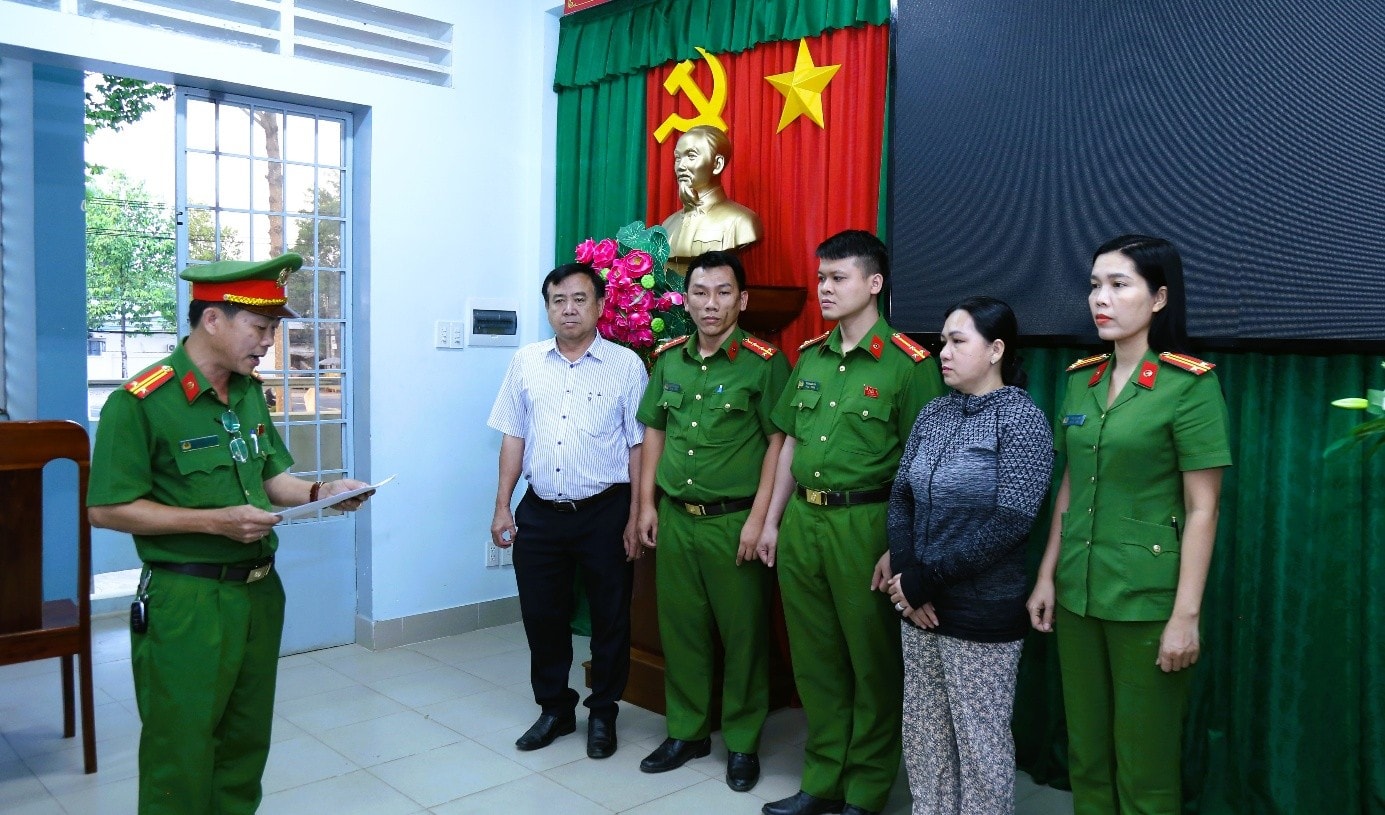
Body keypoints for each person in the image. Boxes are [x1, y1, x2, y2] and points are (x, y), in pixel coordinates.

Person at [87, 253, 373, 815]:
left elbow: (270, 480)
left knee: (245, 743)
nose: (268, 342)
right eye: (259, 328)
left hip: (259, 593)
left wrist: (323, 492)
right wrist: (211, 521)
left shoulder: (247, 392)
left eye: (272, 330)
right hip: (188, 600)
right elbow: (107, 509)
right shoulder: (140, 402)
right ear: (213, 319)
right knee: (181, 749)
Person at [1025, 235, 1231, 815]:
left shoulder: (1189, 385)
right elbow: (1071, 483)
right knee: (1087, 758)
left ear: (1159, 298)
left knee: (1145, 767)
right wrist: (1047, 576)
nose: (1101, 299)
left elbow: (1204, 508)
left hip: (1146, 599)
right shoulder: (1081, 379)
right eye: (1095, 285)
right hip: (1079, 592)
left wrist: (1185, 617)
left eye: (1119, 285)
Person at [757, 230, 945, 815]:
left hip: (866, 526)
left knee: (872, 664)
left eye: (838, 278)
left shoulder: (909, 365)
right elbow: (788, 444)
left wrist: (902, 546)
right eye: (821, 278)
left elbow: (924, 468)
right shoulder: (812, 356)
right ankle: (822, 783)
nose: (825, 289)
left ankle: (865, 791)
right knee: (815, 661)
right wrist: (771, 522)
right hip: (803, 522)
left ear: (874, 283)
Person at [875, 296, 1053, 815]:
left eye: (957, 342)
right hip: (919, 603)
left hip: (980, 609)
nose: (943, 353)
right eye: (941, 342)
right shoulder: (933, 412)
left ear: (996, 350)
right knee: (924, 733)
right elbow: (901, 497)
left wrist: (924, 581)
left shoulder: (1022, 419)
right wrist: (908, 576)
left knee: (979, 744)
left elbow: (1012, 522)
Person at [633, 250, 790, 792]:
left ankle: (742, 741)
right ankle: (687, 731)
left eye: (723, 293)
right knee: (682, 631)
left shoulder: (764, 362)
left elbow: (778, 444)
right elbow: (655, 431)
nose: (710, 304)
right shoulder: (668, 359)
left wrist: (760, 518)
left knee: (744, 637)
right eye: (700, 292)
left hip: (734, 522)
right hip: (677, 518)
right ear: (686, 299)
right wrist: (646, 504)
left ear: (742, 300)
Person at [487, 262, 648, 760]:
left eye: (580, 299)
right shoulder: (526, 362)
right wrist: (502, 506)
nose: (569, 309)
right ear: (548, 308)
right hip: (540, 511)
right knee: (542, 616)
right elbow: (513, 436)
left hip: (605, 511)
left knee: (610, 617)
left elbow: (639, 446)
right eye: (559, 300)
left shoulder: (626, 365)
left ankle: (603, 712)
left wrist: (636, 514)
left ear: (600, 306)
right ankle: (555, 708)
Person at [660, 124, 763, 277]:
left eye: (691, 156)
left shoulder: (742, 222)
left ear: (717, 164)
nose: (680, 166)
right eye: (677, 158)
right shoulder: (668, 224)